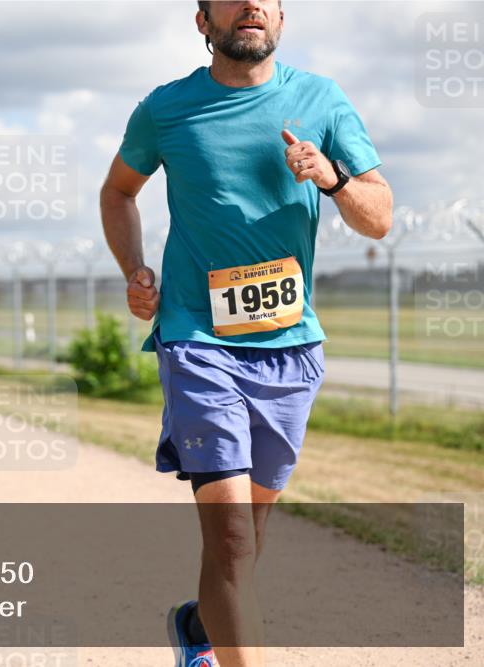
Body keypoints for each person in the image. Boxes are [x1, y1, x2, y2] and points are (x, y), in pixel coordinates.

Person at [99, 2, 393, 666]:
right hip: (197, 338)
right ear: (203, 21)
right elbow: (117, 191)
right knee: (231, 538)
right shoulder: (165, 109)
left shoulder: (322, 100)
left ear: (282, 21)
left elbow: (379, 217)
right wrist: (134, 269)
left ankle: (198, 624)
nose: (252, 4)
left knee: (247, 539)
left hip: (290, 346)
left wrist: (334, 178)